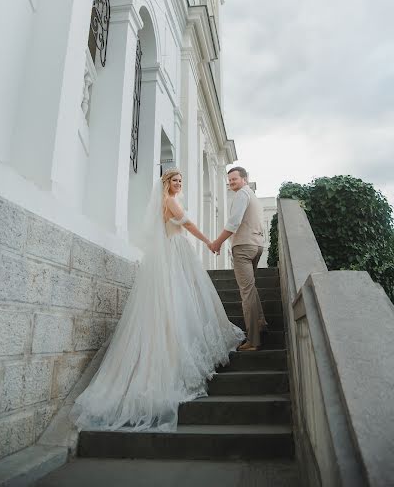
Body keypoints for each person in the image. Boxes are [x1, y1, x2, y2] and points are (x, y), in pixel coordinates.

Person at [71, 168, 244, 432]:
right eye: (175, 180)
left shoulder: (170, 201)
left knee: (184, 298)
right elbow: (188, 225)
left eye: (181, 180)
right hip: (175, 253)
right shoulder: (170, 202)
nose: (178, 183)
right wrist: (210, 242)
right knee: (179, 299)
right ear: (166, 183)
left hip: (176, 252)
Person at [210, 167, 267, 351]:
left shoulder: (242, 195)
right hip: (257, 245)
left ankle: (253, 340)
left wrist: (217, 242)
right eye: (229, 180)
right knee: (251, 287)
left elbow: (233, 223)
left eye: (234, 179)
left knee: (246, 293)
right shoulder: (253, 196)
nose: (231, 182)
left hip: (243, 247)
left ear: (245, 178)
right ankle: (260, 321)